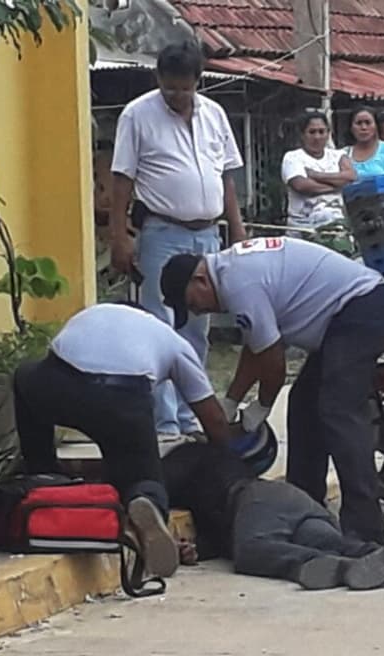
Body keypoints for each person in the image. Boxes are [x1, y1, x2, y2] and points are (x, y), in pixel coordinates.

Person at [161, 236, 384, 546]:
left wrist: (259, 411)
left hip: (359, 306)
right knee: (303, 406)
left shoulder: (237, 284)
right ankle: (305, 512)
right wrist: (231, 403)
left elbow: (273, 361)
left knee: (338, 410)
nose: (201, 312)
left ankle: (366, 531)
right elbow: (255, 347)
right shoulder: (230, 271)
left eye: (194, 304)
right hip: (343, 316)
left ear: (200, 279)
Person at [12, 303, 234, 581]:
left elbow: (56, 355)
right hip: (123, 398)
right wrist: (229, 458)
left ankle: (43, 475)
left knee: (24, 378)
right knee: (143, 475)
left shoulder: (94, 312)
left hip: (59, 384)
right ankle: (147, 502)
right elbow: (213, 419)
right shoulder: (172, 342)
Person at [109, 40, 246, 439]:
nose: (178, 96)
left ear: (198, 82)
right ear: (159, 80)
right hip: (161, 231)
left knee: (197, 328)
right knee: (160, 325)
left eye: (185, 88)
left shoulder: (215, 114)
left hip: (208, 232)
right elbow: (122, 179)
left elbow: (227, 177)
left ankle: (192, 416)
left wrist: (237, 230)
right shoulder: (137, 115)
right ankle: (165, 423)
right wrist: (120, 236)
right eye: (170, 89)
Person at [162, 444, 384, 590]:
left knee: (252, 551)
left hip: (253, 499)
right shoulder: (214, 455)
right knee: (321, 538)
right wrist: (195, 550)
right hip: (295, 501)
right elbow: (219, 536)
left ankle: (333, 566)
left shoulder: (181, 461)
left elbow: (234, 531)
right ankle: (371, 553)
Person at [281, 111, 356, 231]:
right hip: (303, 226)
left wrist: (315, 175)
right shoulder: (292, 157)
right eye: (312, 132)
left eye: (321, 131)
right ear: (302, 135)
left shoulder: (338, 155)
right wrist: (338, 186)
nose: (317, 137)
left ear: (328, 133)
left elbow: (350, 176)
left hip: (338, 225)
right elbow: (302, 185)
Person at [345, 107, 384, 179]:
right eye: (359, 123)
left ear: (376, 126)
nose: (364, 127)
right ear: (351, 128)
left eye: (368, 123)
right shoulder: (344, 154)